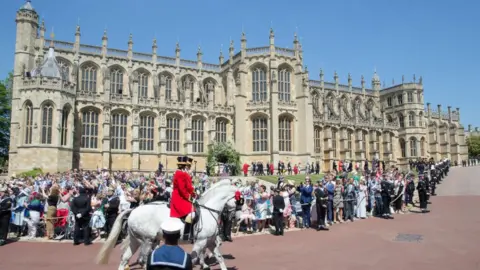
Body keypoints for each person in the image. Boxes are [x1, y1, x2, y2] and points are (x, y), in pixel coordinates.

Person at [170, 156, 196, 241]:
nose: (188, 167)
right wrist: (190, 197)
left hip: (181, 195)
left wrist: (193, 193)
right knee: (191, 213)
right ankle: (186, 233)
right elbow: (182, 189)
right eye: (187, 166)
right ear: (184, 166)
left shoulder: (181, 173)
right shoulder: (180, 174)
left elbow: (188, 186)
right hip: (179, 197)